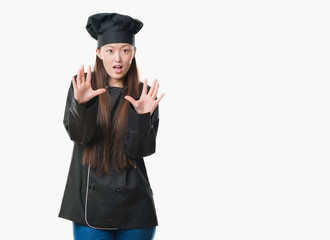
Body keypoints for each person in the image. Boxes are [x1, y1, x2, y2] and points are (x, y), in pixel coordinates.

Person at [58, 13, 165, 240]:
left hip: (136, 210)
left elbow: (140, 151)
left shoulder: (144, 94)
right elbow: (79, 135)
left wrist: (142, 116)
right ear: (99, 53)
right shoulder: (82, 86)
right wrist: (81, 104)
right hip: (91, 210)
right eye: (110, 50)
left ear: (133, 53)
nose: (118, 58)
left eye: (125, 50)